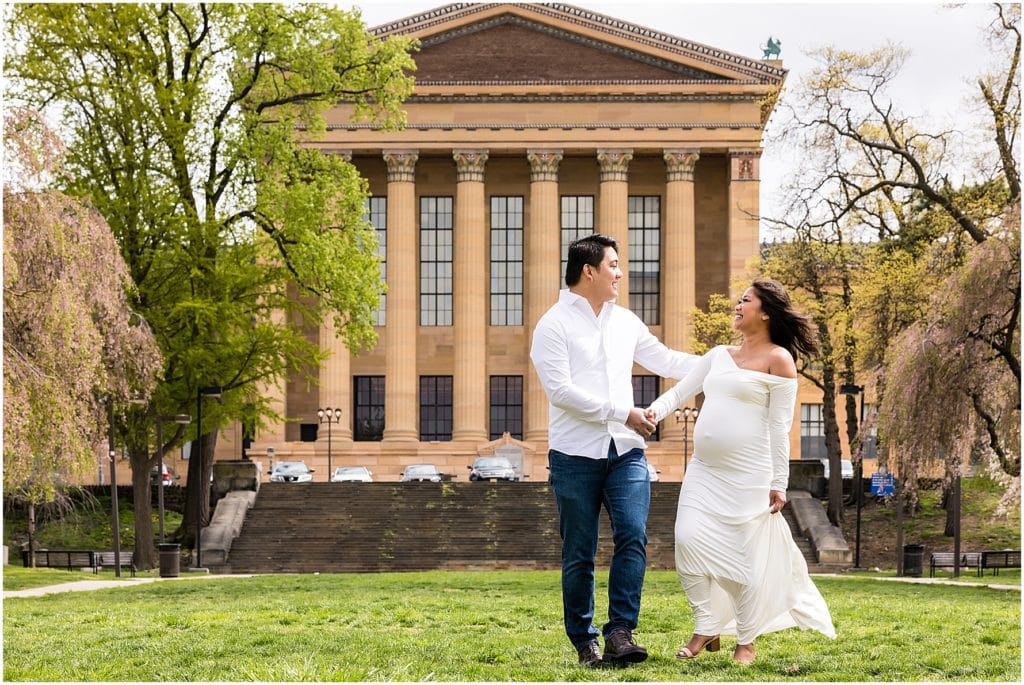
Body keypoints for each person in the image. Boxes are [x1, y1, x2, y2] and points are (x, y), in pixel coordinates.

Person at [645, 278, 836, 664]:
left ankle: (745, 640)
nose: (737, 305)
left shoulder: (779, 359)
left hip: (749, 473)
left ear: (764, 312)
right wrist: (653, 413)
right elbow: (681, 392)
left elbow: (779, 428)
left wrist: (778, 482)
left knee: (743, 560)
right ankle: (707, 624)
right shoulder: (718, 355)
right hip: (704, 471)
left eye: (745, 300)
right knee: (686, 541)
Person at [530, 234, 697, 667]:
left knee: (633, 535)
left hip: (626, 452)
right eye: (614, 266)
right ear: (590, 271)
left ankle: (621, 632)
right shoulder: (552, 325)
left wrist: (725, 360)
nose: (620, 274)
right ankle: (585, 643)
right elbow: (561, 392)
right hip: (573, 456)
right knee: (579, 552)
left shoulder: (625, 322)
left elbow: (667, 361)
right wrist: (622, 411)